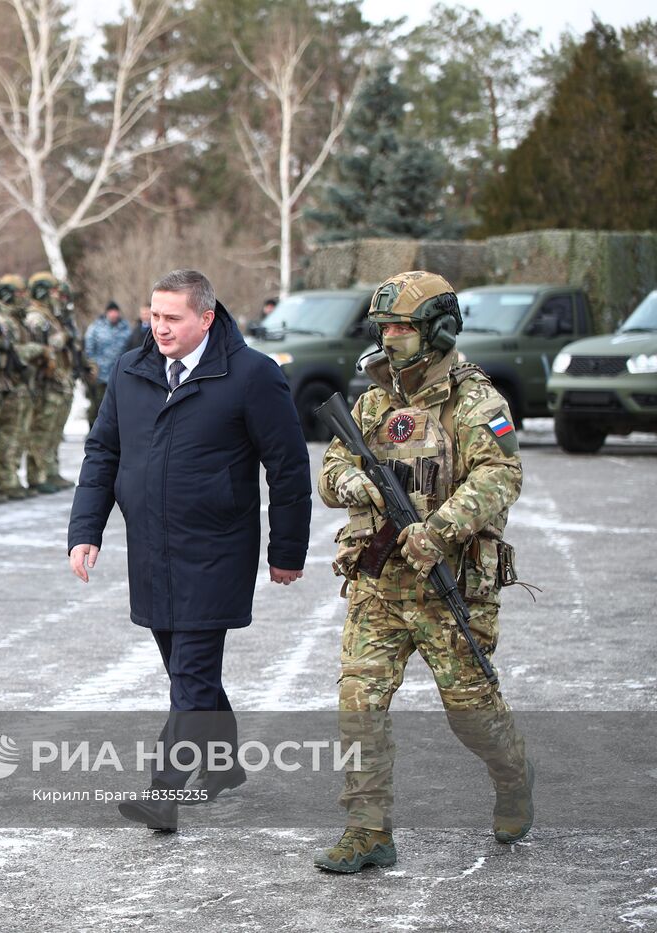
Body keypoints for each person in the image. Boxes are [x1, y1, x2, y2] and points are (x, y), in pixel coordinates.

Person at [66, 268, 312, 833]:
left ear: (206, 318)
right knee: (186, 673)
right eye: (153, 316)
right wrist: (86, 531)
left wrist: (288, 548)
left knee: (193, 675)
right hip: (151, 549)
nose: (159, 328)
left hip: (217, 548)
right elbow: (102, 453)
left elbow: (288, 466)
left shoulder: (252, 375)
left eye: (172, 318)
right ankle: (222, 767)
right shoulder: (131, 370)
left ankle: (163, 791)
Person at [314, 270, 531, 873]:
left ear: (438, 329)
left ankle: (513, 777)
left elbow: (500, 476)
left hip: (449, 582)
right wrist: (349, 479)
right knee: (359, 704)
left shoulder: (477, 401)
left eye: (403, 327)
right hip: (379, 583)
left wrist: (441, 529)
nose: (391, 338)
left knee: (471, 712)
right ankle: (367, 831)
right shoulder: (372, 399)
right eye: (384, 328)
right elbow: (333, 462)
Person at [83, 301, 129, 421]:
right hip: (99, 375)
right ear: (107, 313)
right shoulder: (96, 328)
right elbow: (89, 349)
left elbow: (130, 349)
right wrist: (92, 367)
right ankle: (93, 432)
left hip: (118, 375)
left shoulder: (125, 328)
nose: (113, 314)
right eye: (111, 312)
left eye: (115, 312)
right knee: (97, 407)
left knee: (116, 408)